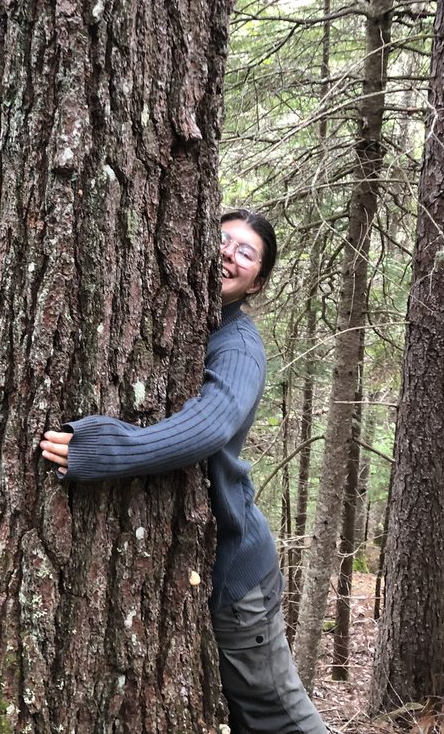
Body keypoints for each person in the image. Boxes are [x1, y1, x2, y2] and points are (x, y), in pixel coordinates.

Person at [39, 208, 326, 734]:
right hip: (220, 570)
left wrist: (111, 449)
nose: (229, 254)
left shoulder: (239, 345)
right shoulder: (198, 325)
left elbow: (210, 426)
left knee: (278, 720)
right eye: (223, 239)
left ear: (258, 281)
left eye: (246, 252)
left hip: (240, 576)